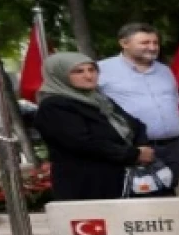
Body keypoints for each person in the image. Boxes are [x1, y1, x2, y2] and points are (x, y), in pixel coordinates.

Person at [34, 52, 153, 200]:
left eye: (92, 69)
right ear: (60, 74)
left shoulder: (99, 99)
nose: (89, 76)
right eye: (79, 71)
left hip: (117, 178)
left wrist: (142, 148)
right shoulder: (54, 106)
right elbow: (82, 143)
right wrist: (134, 154)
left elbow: (136, 125)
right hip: (86, 184)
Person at [98, 23, 179, 195]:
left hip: (172, 146)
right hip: (135, 149)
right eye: (145, 43)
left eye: (155, 43)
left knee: (168, 195)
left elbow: (175, 101)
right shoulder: (102, 70)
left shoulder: (164, 70)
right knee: (140, 201)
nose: (152, 47)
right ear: (124, 43)